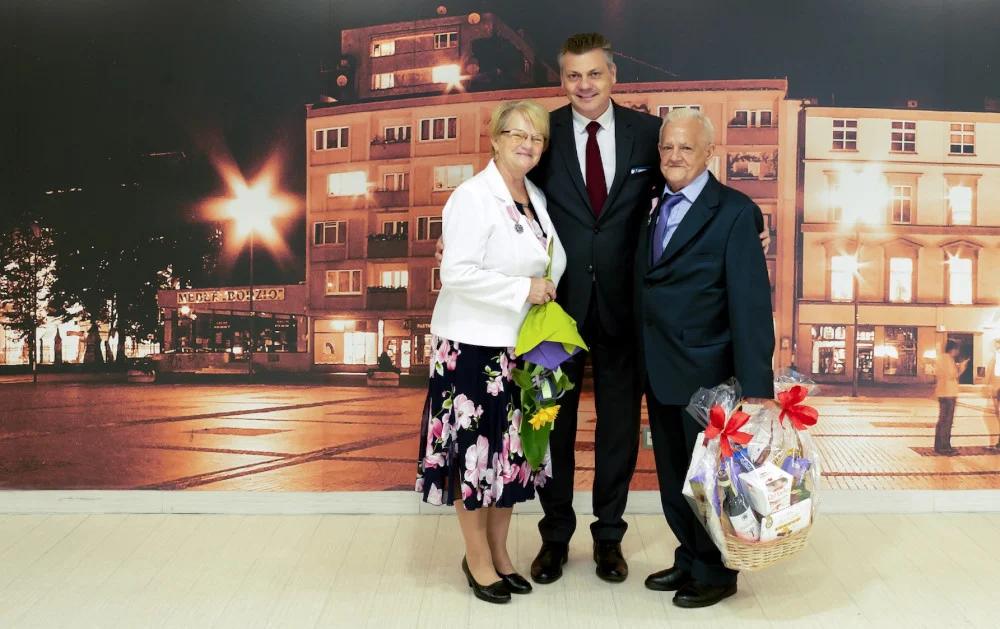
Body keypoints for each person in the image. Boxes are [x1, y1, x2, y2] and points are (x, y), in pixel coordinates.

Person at [437, 32, 769, 585]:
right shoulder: (541, 134)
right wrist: (452, 239)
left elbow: (696, 180)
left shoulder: (649, 134)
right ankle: (554, 537)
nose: (584, 85)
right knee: (551, 427)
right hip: (553, 315)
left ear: (613, 76)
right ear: (562, 80)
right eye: (573, 75)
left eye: (594, 73)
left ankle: (608, 537)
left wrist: (753, 222)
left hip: (627, 312)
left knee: (618, 431)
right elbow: (504, 189)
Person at [416, 100, 566, 605]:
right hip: (472, 348)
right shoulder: (472, 196)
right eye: (517, 134)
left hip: (521, 346)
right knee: (474, 457)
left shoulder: (535, 197)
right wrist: (524, 289)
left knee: (509, 456)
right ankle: (476, 558)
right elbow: (455, 273)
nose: (528, 144)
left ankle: (501, 554)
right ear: (496, 139)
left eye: (537, 137)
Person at [635, 107, 774, 608]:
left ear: (710, 153)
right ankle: (690, 556)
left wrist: (757, 386)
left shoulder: (736, 212)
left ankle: (716, 572)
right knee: (676, 477)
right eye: (667, 146)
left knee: (711, 480)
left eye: (686, 147)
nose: (674, 155)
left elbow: (750, 303)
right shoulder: (653, 204)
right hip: (659, 366)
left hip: (709, 376)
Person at [934, 340, 967, 456]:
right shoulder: (949, 359)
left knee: (941, 419)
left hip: (941, 392)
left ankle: (938, 445)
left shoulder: (939, 358)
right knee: (947, 420)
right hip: (949, 392)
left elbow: (938, 373)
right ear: (953, 349)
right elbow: (952, 375)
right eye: (957, 349)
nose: (957, 352)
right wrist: (962, 368)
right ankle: (945, 446)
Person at [986, 340, 1000, 448]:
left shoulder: (996, 358)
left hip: (998, 388)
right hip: (996, 388)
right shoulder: (994, 358)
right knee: (997, 414)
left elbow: (993, 372)